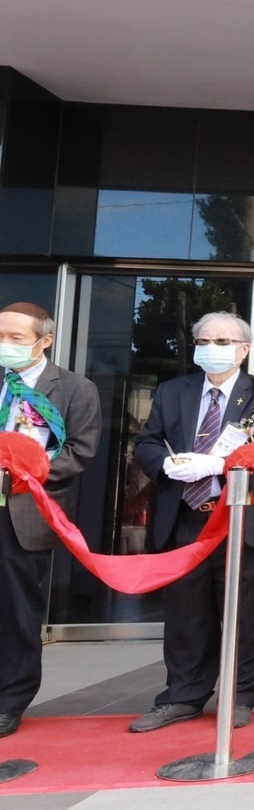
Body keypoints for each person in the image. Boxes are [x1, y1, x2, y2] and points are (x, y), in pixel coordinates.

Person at [129, 312, 254, 731]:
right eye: (204, 340)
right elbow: (146, 442)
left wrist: (217, 463)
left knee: (247, 612)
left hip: (240, 519)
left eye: (222, 341)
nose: (211, 348)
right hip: (186, 517)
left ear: (243, 349)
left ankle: (241, 694)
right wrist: (166, 465)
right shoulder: (171, 392)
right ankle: (182, 695)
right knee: (187, 611)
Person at [0, 303, 100, 740]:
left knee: (16, 610)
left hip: (24, 509)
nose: (5, 346)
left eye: (15, 338)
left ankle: (9, 700)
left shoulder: (76, 389)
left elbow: (80, 453)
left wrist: (23, 471)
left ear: (45, 340)